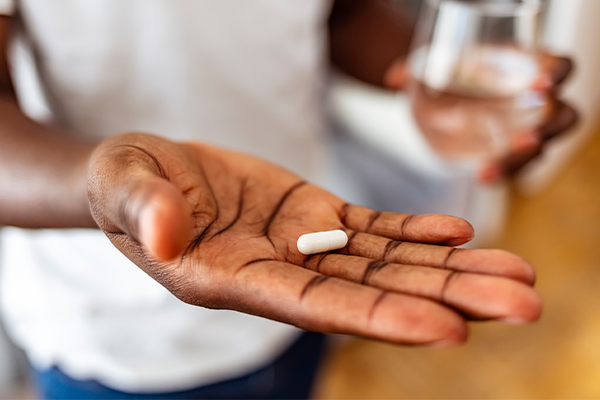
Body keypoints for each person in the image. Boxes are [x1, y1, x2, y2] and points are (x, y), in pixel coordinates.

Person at [0, 1, 576, 399]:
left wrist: (436, 77)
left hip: (298, 267)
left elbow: (342, 13)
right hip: (120, 333)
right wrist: (100, 183)